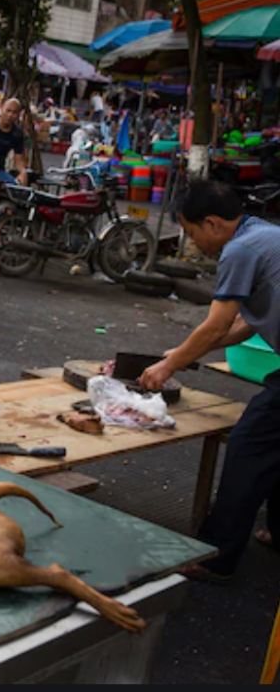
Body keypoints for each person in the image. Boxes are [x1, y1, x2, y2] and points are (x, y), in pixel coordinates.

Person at [140, 184, 280, 584]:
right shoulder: (265, 237)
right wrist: (181, 355)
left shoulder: (240, 249)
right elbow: (245, 323)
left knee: (250, 446)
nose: (194, 243)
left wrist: (169, 367)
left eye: (192, 232)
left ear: (213, 224)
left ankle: (215, 556)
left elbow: (217, 324)